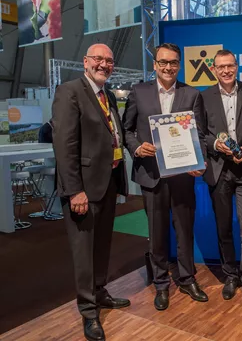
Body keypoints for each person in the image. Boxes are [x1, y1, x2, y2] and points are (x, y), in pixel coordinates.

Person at [52, 43, 130, 341]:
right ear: (85, 62)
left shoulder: (107, 95)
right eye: (98, 59)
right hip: (83, 189)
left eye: (109, 61)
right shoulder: (69, 91)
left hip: (108, 181)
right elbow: (65, 146)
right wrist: (75, 192)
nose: (104, 65)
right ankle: (88, 311)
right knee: (84, 252)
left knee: (102, 245)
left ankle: (99, 292)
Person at [122, 43, 208, 312]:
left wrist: (199, 161)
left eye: (173, 62)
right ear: (155, 64)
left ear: (179, 64)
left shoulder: (192, 94)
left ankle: (186, 278)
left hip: (183, 176)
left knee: (184, 230)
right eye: (163, 62)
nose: (168, 67)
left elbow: (201, 135)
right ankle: (161, 283)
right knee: (157, 234)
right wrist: (136, 147)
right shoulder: (139, 91)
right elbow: (127, 130)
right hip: (152, 176)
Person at [201, 49, 242, 307]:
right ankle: (230, 275)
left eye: (230, 66)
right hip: (219, 171)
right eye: (221, 67)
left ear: (237, 66)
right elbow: (200, 133)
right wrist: (216, 145)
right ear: (214, 69)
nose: (226, 71)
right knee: (223, 227)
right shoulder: (204, 96)